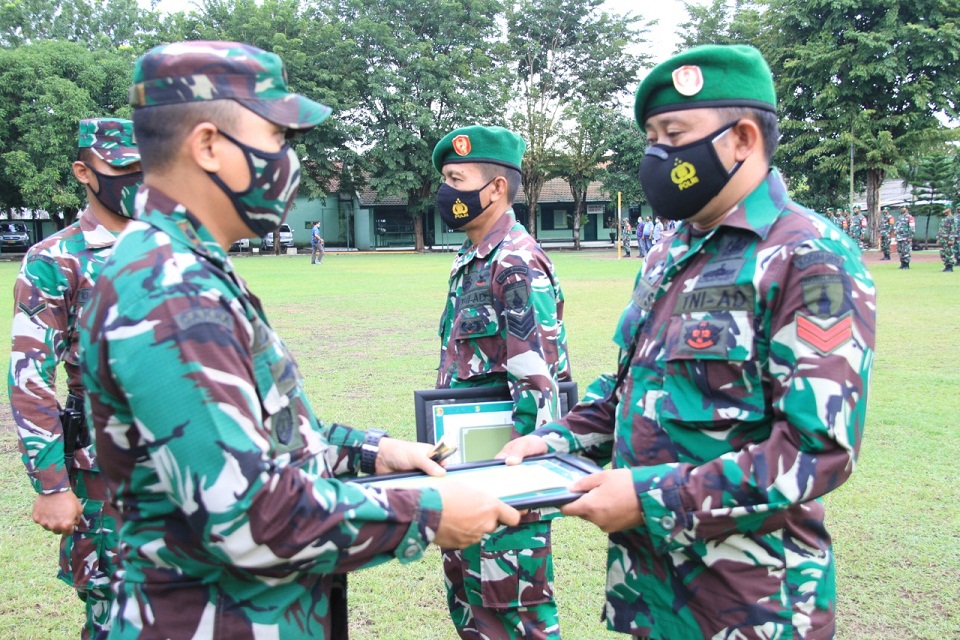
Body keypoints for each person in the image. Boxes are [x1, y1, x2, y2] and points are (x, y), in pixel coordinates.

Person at [77, 41, 519, 640]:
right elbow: (251, 517)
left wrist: (371, 452)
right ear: (208, 144)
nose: (287, 164)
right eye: (276, 140)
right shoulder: (167, 290)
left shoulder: (186, 270)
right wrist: (429, 514)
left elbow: (258, 436)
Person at [499, 44, 876, 639]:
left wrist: (649, 498)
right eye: (651, 136)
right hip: (652, 592)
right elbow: (629, 390)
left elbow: (816, 450)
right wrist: (550, 441)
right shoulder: (669, 252)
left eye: (674, 134)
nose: (657, 156)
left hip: (753, 606)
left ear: (744, 139)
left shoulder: (807, 257)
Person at [432, 125, 572, 640]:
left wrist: (522, 494)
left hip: (506, 483)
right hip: (469, 473)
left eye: (456, 178)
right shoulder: (472, 260)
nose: (446, 193)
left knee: (515, 618)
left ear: (494, 189)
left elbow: (540, 384)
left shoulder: (515, 261)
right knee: (474, 613)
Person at [9, 118, 141, 640]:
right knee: (118, 612)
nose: (139, 179)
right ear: (84, 172)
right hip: (110, 474)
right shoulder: (56, 261)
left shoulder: (183, 247)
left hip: (195, 469)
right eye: (124, 168)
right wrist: (51, 485)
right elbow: (29, 377)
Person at [936, 206, 956, 272]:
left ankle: (950, 267)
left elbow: (953, 229)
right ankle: (946, 266)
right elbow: (940, 229)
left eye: (945, 209)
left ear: (949, 209)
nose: (944, 210)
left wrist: (951, 239)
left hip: (948, 239)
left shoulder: (952, 218)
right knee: (943, 253)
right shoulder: (944, 219)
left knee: (949, 253)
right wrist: (938, 238)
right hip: (942, 239)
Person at [896, 205, 915, 269]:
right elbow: (897, 227)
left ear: (906, 209)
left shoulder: (910, 217)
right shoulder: (900, 217)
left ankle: (906, 264)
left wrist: (910, 236)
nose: (901, 209)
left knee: (906, 251)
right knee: (900, 251)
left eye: (902, 208)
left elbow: (912, 228)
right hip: (899, 237)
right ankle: (902, 264)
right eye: (900, 208)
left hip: (906, 237)